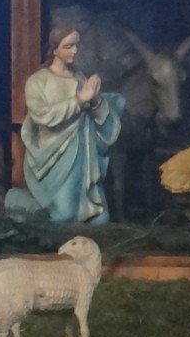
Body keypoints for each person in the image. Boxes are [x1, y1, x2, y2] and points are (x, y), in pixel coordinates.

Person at [8, 25, 125, 224]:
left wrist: (95, 99)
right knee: (63, 216)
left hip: (84, 154)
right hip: (55, 156)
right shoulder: (38, 81)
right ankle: (16, 201)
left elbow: (94, 112)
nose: (75, 51)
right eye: (68, 46)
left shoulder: (80, 77)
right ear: (54, 49)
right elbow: (43, 115)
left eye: (76, 45)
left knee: (100, 220)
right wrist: (80, 99)